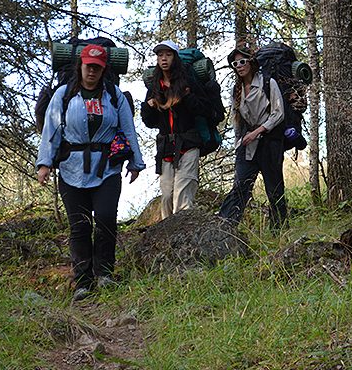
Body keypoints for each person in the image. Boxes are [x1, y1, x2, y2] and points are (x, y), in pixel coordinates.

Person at [36, 44, 145, 300]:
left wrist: (135, 162)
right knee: (79, 226)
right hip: (71, 169)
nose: (92, 72)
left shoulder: (114, 96)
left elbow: (128, 129)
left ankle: (105, 273)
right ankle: (83, 281)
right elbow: (50, 131)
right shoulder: (63, 95)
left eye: (97, 68)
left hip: (107, 168)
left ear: (103, 69)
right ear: (80, 66)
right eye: (88, 66)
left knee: (106, 220)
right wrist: (44, 163)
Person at [217, 40, 288, 230]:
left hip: (269, 141)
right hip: (247, 145)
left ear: (251, 62)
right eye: (235, 64)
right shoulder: (237, 90)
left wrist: (258, 131)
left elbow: (278, 113)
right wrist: (239, 141)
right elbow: (237, 118)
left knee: (274, 187)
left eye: (242, 62)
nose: (239, 66)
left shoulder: (267, 82)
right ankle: (226, 226)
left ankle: (279, 230)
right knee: (241, 186)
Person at [141, 40, 211, 219]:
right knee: (166, 196)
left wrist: (186, 97)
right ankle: (166, 238)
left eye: (168, 54)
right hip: (166, 148)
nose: (163, 59)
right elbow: (149, 122)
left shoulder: (188, 81)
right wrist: (148, 107)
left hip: (188, 144)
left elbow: (207, 109)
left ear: (175, 57)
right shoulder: (155, 86)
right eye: (160, 55)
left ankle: (185, 239)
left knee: (183, 195)